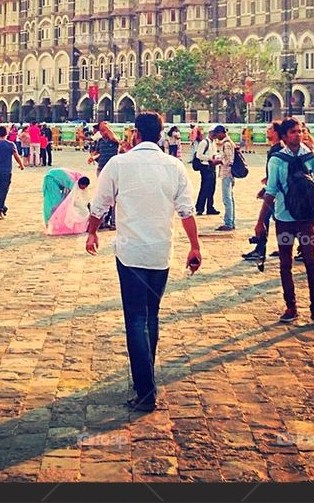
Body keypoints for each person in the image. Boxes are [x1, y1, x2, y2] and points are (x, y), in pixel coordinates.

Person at [86, 111, 201, 413]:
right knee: (151, 316)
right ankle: (146, 379)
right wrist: (195, 247)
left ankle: (146, 389)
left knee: (136, 319)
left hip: (130, 253)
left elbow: (99, 205)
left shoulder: (119, 164)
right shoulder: (174, 166)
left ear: (135, 133)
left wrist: (91, 234)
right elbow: (187, 211)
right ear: (161, 134)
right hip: (160, 253)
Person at [255, 117, 314, 326]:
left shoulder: (310, 157)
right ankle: (291, 306)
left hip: (305, 220)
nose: (298, 135)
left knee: (311, 262)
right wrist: (261, 221)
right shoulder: (277, 159)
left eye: (300, 131)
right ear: (284, 136)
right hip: (284, 218)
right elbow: (271, 190)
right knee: (285, 263)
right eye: (293, 132)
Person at [242, 121, 283, 263]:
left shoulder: (277, 150)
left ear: (277, 132)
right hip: (273, 191)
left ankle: (261, 249)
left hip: (276, 193)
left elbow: (277, 174)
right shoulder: (275, 148)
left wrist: (267, 189)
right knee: (277, 220)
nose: (267, 131)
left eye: (270, 129)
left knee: (267, 218)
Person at [0, 123, 25, 219]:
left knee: (1, 190)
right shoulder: (10, 144)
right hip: (6, 170)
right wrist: (21, 165)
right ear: (6, 134)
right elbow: (16, 156)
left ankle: (3, 207)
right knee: (4, 191)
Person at [212, 125, 237, 232]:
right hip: (228, 174)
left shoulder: (227, 144)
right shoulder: (228, 143)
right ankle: (231, 221)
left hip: (227, 173)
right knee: (230, 198)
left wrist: (218, 162)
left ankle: (229, 223)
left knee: (227, 199)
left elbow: (230, 161)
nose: (217, 136)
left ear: (221, 133)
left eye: (217, 134)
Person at [193, 128, 219, 216]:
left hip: (212, 166)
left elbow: (214, 154)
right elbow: (199, 155)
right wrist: (209, 159)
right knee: (204, 188)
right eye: (213, 133)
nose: (215, 135)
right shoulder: (204, 142)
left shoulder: (213, 143)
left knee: (212, 188)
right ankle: (200, 208)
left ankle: (210, 207)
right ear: (210, 133)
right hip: (205, 167)